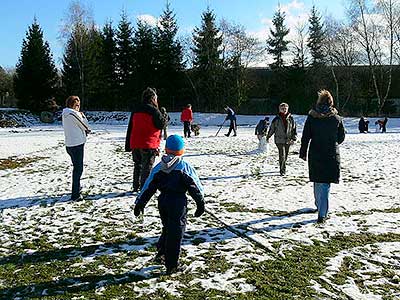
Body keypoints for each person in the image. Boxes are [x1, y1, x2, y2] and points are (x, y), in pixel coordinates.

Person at [134, 135, 205, 274]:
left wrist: (140, 203)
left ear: (166, 150)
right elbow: (195, 186)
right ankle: (172, 265)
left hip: (163, 202)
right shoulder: (184, 167)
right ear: (181, 151)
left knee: (167, 227)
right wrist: (200, 203)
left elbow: (148, 186)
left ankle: (161, 253)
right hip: (178, 204)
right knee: (176, 233)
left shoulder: (159, 167)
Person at [299, 90, 345, 223]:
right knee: (325, 184)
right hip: (331, 153)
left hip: (315, 152)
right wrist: (332, 141)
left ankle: (319, 206)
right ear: (331, 102)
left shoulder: (312, 117)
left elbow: (306, 136)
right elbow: (341, 137)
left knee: (317, 180)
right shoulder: (336, 118)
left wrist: (303, 152)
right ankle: (322, 213)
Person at [125, 87, 166, 192]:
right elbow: (161, 125)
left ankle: (136, 186)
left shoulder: (136, 109)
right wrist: (164, 116)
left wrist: (128, 144)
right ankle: (145, 188)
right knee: (147, 167)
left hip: (135, 142)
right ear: (153, 98)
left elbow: (130, 126)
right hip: (148, 143)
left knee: (137, 165)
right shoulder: (154, 110)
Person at [62, 96, 91, 201]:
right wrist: (83, 116)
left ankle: (77, 188)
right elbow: (86, 126)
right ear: (71, 104)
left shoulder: (65, 113)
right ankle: (75, 194)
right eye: (76, 104)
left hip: (69, 145)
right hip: (77, 144)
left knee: (76, 168)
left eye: (79, 104)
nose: (78, 106)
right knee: (78, 169)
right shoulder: (73, 113)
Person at [266, 103, 297, 176]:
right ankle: (282, 170)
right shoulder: (276, 119)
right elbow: (272, 129)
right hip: (279, 140)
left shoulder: (291, 118)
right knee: (282, 155)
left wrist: (294, 138)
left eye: (285, 108)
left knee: (285, 155)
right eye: (282, 108)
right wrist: (268, 136)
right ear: (279, 109)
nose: (284, 110)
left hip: (288, 140)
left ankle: (283, 166)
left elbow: (294, 129)